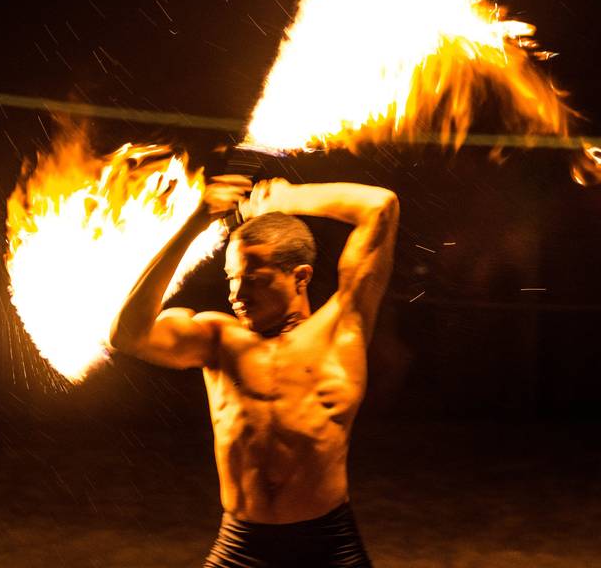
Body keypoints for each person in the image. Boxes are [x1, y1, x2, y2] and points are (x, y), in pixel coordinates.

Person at [109, 175, 399, 567]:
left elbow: (381, 207)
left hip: (327, 546)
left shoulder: (343, 327)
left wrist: (288, 198)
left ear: (300, 277)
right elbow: (129, 335)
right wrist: (196, 223)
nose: (236, 294)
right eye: (231, 278)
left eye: (252, 279)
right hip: (243, 547)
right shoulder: (216, 339)